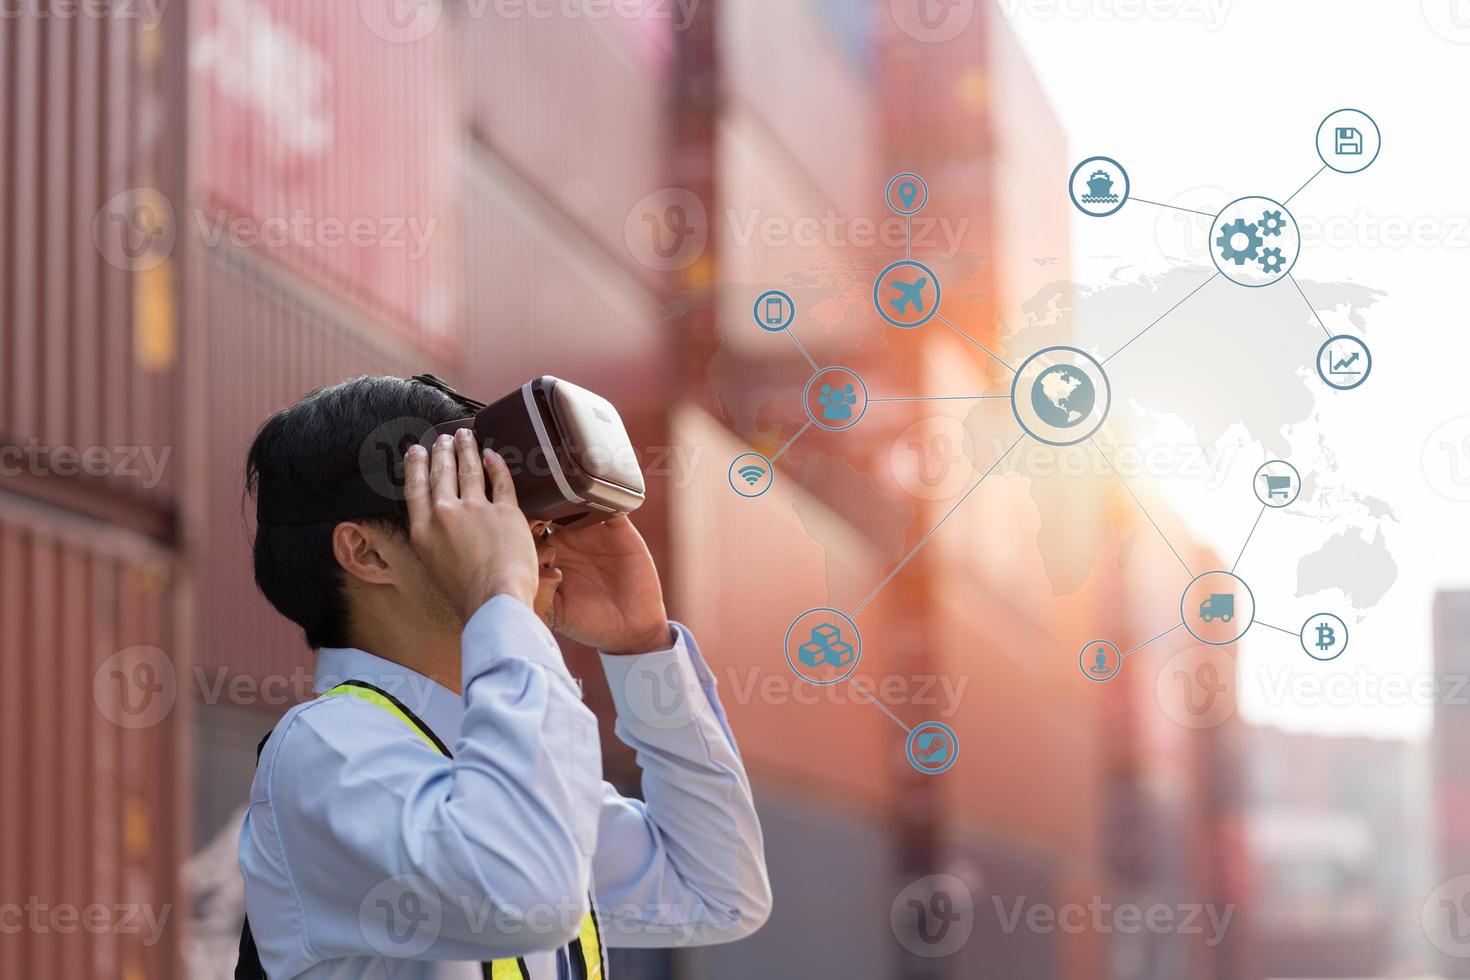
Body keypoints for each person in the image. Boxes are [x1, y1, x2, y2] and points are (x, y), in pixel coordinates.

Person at [236, 376, 771, 978]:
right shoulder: (329, 751)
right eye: (471, 509)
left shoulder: (482, 753)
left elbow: (717, 892)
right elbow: (526, 896)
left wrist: (642, 649)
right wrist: (501, 603)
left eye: (518, 512)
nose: (525, 537)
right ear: (367, 553)